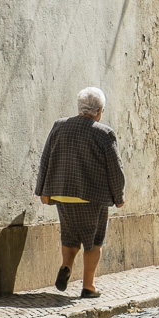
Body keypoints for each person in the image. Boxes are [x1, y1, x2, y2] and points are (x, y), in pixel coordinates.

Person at [35, 87, 125, 298]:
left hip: (62, 194)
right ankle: (88, 286)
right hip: (93, 197)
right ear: (99, 111)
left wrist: (42, 190)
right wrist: (119, 196)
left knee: (69, 234)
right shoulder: (104, 133)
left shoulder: (59, 126)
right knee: (93, 241)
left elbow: (45, 158)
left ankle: (66, 265)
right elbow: (115, 168)